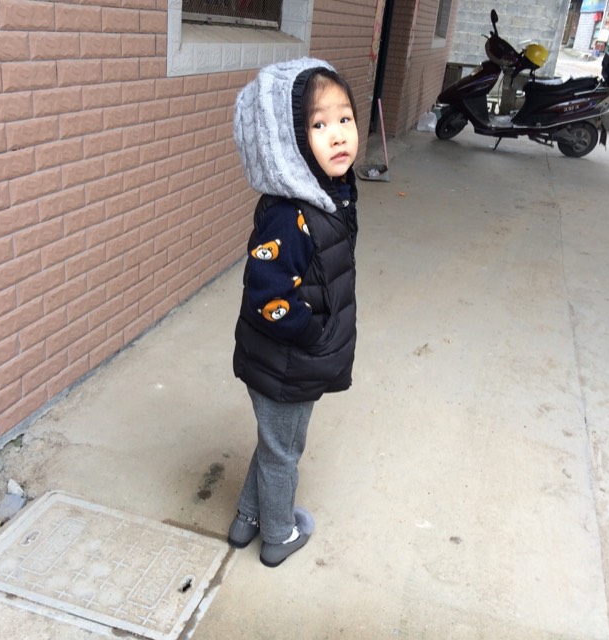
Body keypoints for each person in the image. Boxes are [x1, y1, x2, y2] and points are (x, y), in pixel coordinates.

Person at [228, 58, 359, 567]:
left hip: (287, 361)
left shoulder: (325, 197)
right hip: (287, 360)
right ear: (289, 142)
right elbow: (269, 298)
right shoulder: (291, 216)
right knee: (284, 450)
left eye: (344, 118)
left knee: (273, 441)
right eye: (319, 125)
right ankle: (278, 535)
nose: (338, 134)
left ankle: (247, 517)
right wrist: (312, 336)